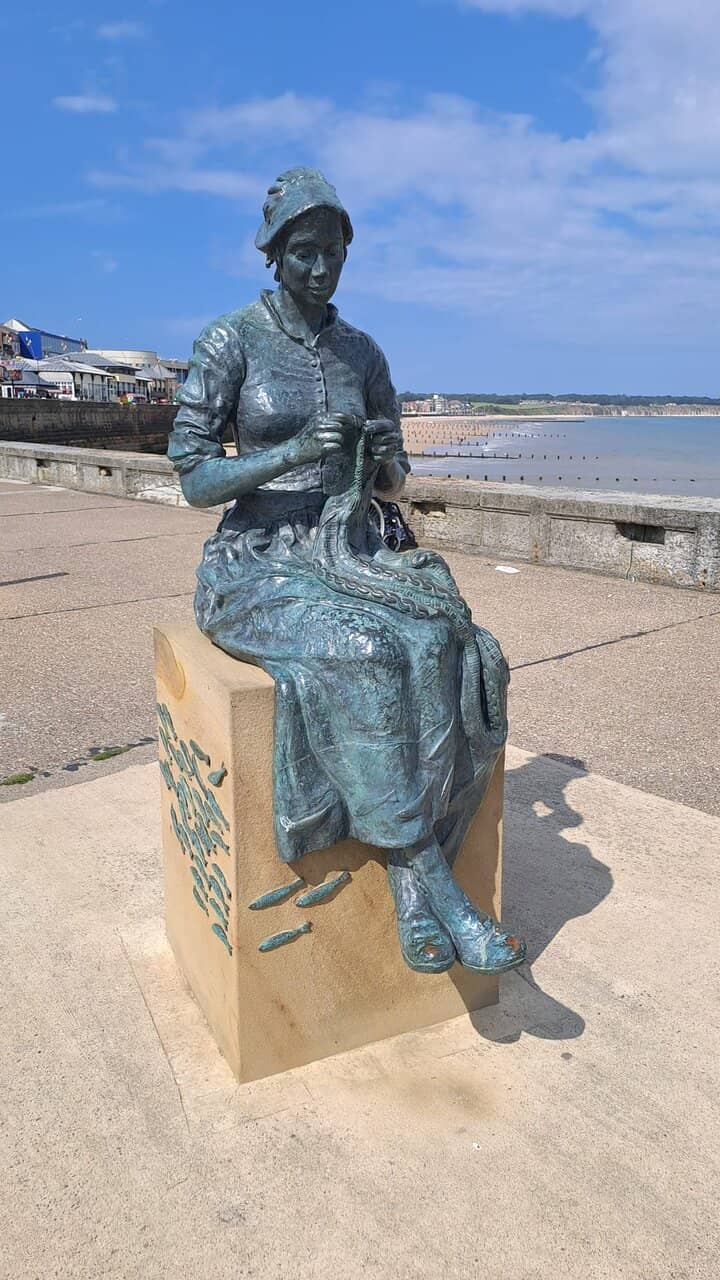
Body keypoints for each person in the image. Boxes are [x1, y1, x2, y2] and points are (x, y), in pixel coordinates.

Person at [169, 167, 525, 976]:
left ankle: (408, 892)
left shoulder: (363, 351)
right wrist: (290, 453)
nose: (320, 270)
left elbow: (396, 482)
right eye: (303, 254)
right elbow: (192, 478)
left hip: (353, 547)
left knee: (455, 650)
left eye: (332, 254)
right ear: (274, 256)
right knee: (364, 653)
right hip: (260, 560)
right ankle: (431, 881)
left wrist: (386, 458)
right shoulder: (232, 342)